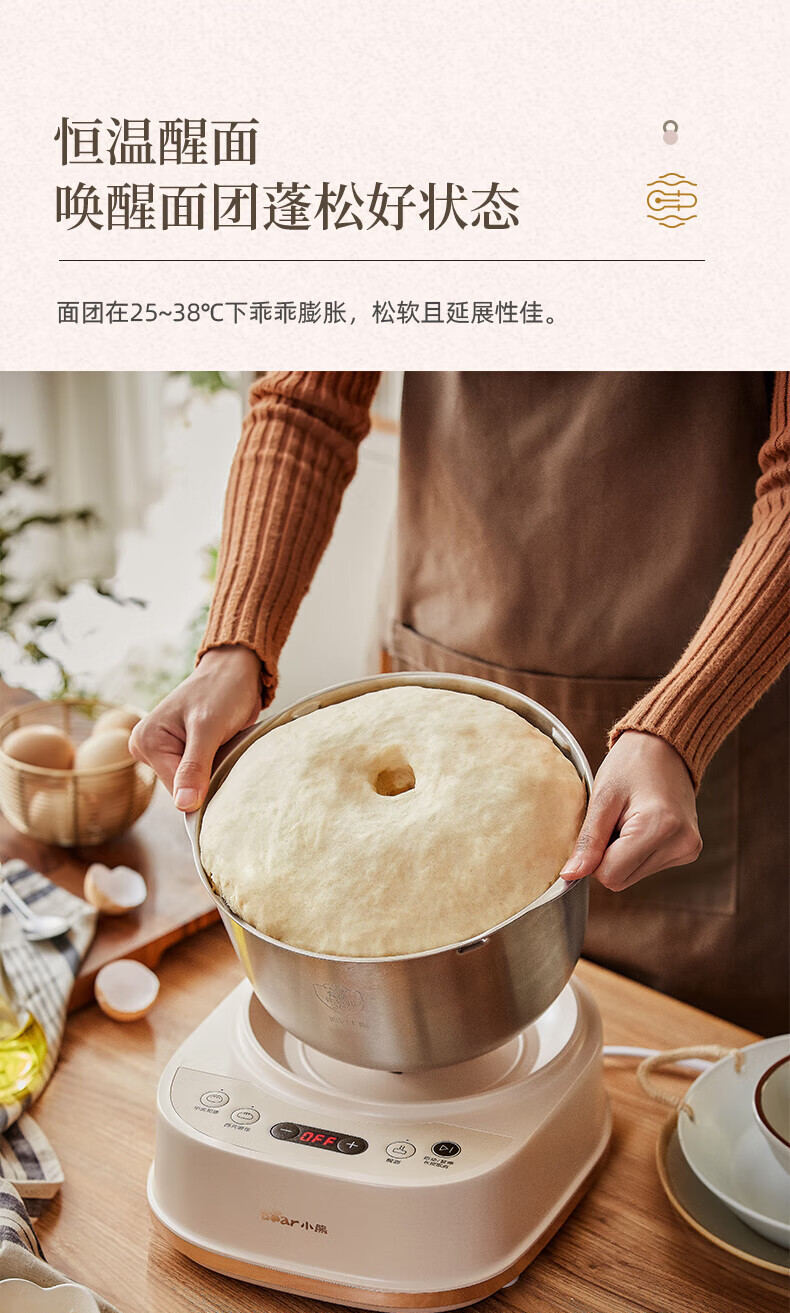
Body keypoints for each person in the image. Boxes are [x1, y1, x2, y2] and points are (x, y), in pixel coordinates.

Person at [131, 372, 790, 1032]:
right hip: (441, 656)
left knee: (683, 1060)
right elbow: (306, 399)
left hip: (708, 685)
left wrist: (680, 724)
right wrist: (233, 646)